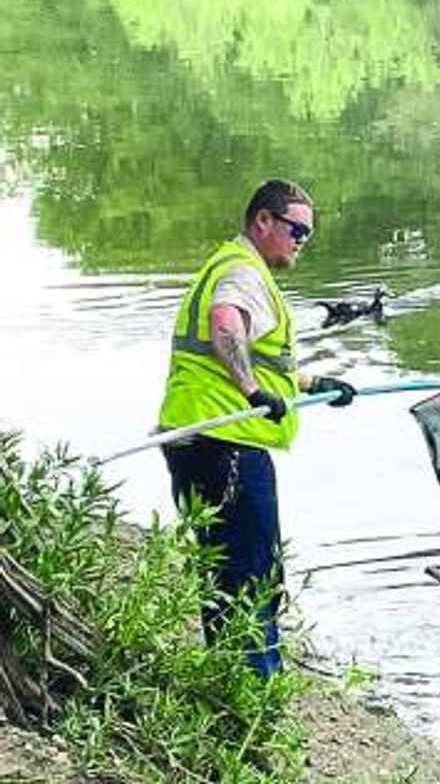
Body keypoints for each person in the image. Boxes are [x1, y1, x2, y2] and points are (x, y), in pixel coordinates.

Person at [157, 178, 356, 677]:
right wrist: (250, 392)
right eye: (296, 231)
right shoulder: (243, 272)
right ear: (263, 221)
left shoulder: (231, 264)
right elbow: (225, 323)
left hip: (196, 437)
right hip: (228, 442)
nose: (301, 243)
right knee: (251, 578)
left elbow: (254, 352)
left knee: (225, 572)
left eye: (307, 235)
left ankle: (230, 684)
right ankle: (255, 694)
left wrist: (310, 383)